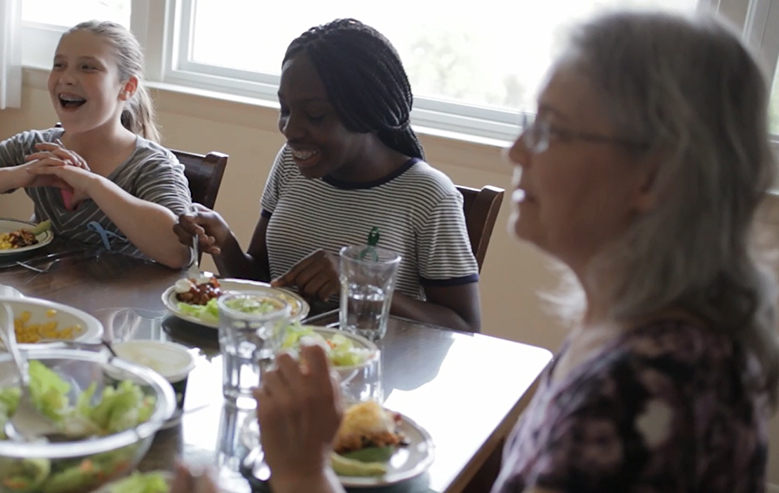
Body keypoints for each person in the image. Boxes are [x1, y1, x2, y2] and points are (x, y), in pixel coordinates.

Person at [234, 10, 779, 493]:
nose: (514, 150)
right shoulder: (628, 343)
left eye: (552, 130)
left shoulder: (645, 394)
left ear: (653, 177)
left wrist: (304, 475)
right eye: (527, 123)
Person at [173, 19, 481, 332]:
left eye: (315, 114)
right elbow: (265, 284)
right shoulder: (292, 165)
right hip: (278, 359)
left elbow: (465, 327)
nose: (290, 130)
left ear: (366, 111)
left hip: (365, 370)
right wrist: (225, 243)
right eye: (285, 109)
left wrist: (357, 282)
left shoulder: (428, 195)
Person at [0, 20, 191, 269]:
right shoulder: (36, 147)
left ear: (127, 88)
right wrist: (19, 175)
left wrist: (93, 184)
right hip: (45, 304)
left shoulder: (151, 165)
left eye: (88, 67)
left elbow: (179, 251)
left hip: (123, 315)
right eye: (59, 65)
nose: (67, 78)